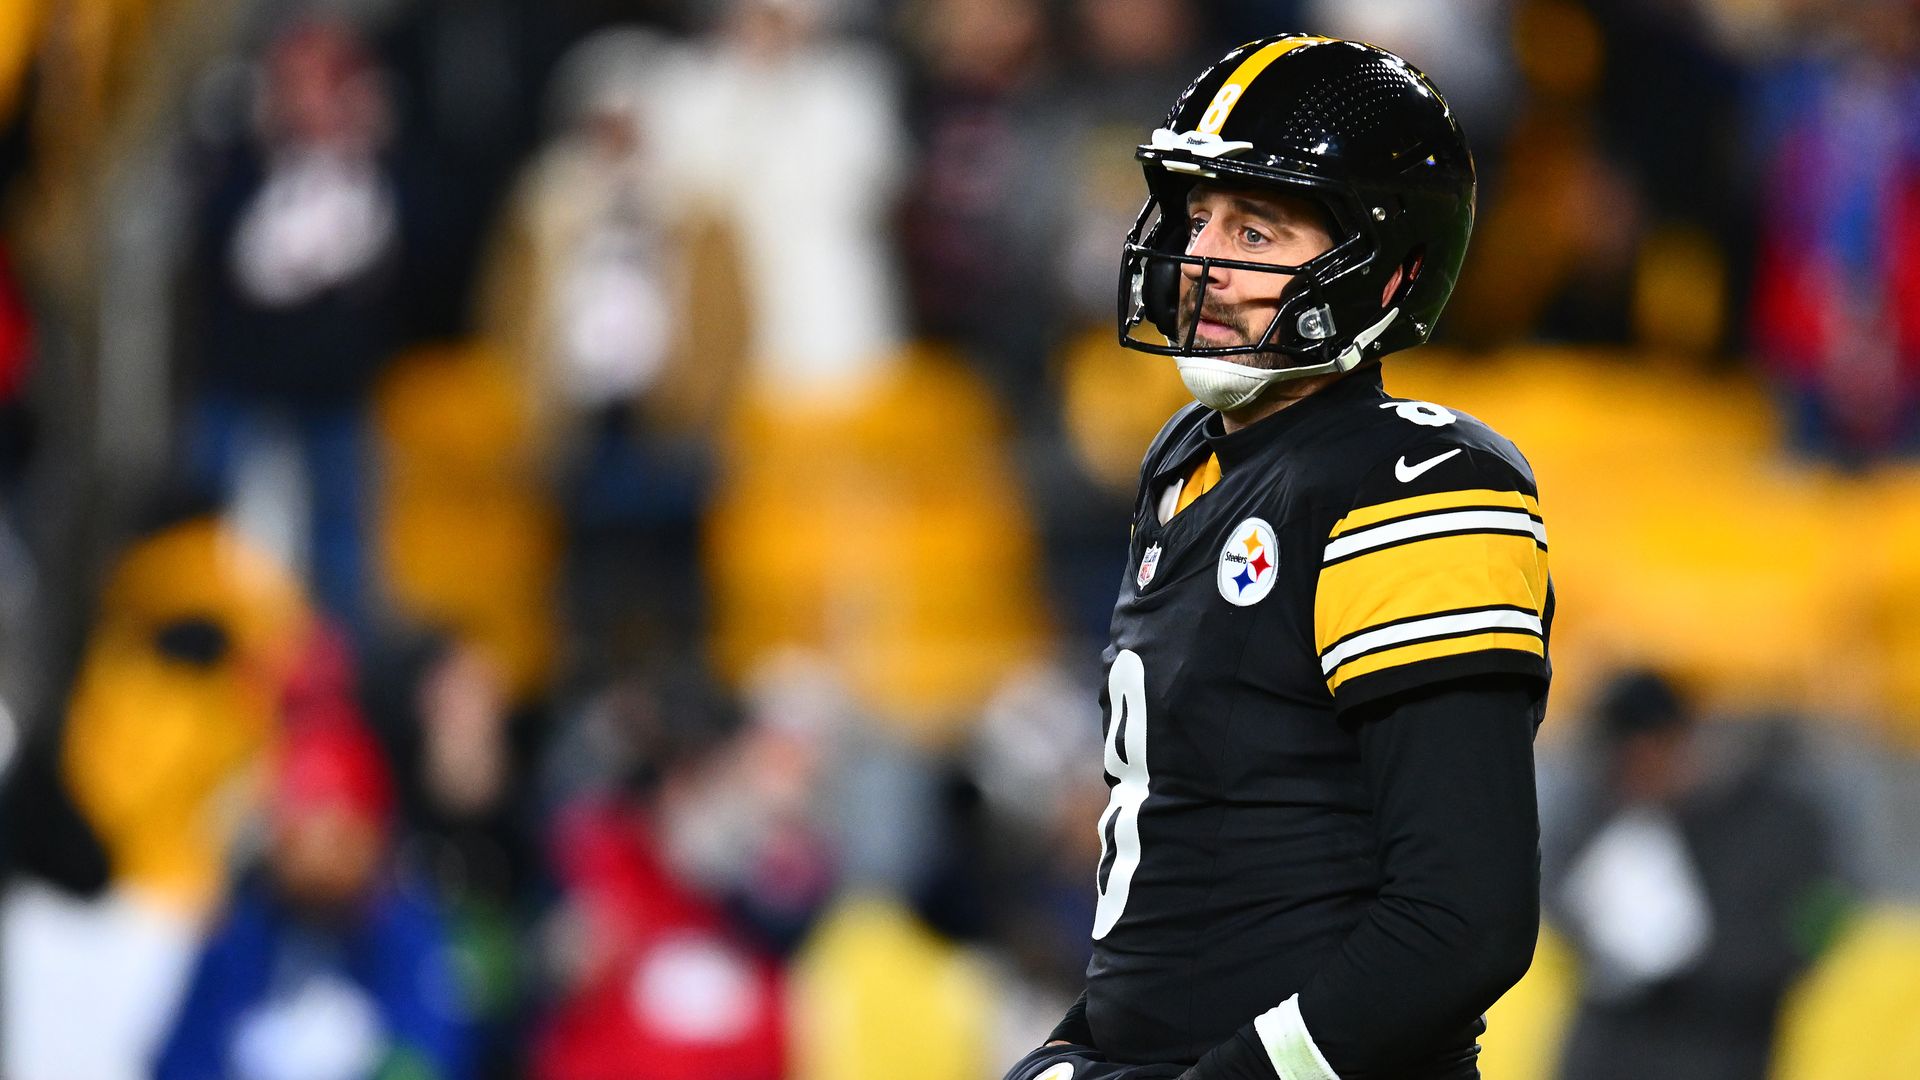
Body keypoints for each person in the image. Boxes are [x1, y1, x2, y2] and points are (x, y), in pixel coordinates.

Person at [1003, 35, 1552, 1080]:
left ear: (1388, 267)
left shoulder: (1416, 478)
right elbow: (1193, 860)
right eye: (1198, 216)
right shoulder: (1187, 463)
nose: (1202, 260)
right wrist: (1080, 1046)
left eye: (1256, 227)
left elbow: (1461, 922)